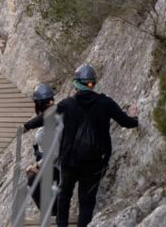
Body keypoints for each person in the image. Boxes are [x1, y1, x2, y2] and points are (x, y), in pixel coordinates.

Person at [24, 63, 138, 227]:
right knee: (87, 202)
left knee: (64, 196)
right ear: (93, 83)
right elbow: (126, 122)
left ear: (75, 84)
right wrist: (134, 117)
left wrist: (27, 126)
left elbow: (46, 117)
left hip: (70, 161)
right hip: (95, 162)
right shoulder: (105, 103)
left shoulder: (67, 104)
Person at [23, 83, 60, 216]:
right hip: (54, 164)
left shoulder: (51, 122)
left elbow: (55, 153)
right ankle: (52, 213)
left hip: (55, 166)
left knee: (32, 180)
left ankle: (52, 214)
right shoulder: (55, 115)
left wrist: (37, 165)